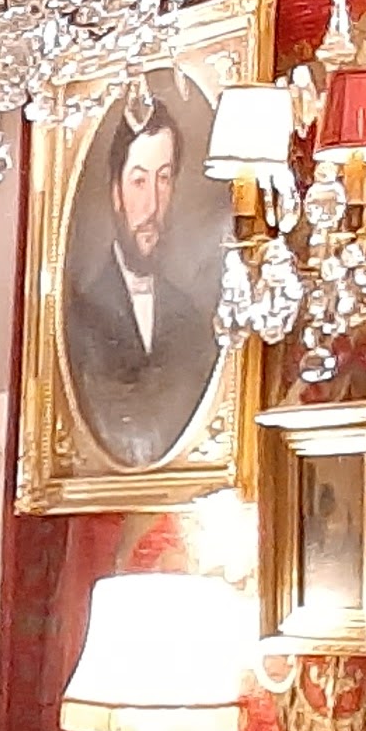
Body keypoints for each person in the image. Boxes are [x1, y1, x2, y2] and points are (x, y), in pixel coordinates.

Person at [58, 94, 223, 470]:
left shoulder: (191, 320)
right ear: (116, 193)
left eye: (163, 179)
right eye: (138, 181)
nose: (151, 205)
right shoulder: (81, 314)